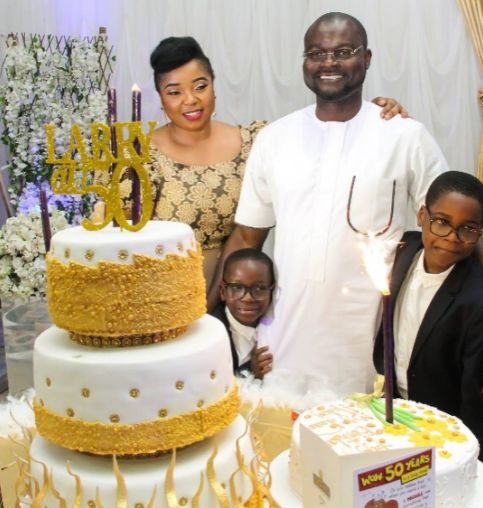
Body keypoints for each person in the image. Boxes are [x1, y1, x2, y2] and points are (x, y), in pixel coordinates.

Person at [208, 12, 448, 396]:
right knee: (281, 429)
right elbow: (246, 237)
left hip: (370, 342)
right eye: (317, 53)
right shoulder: (275, 139)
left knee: (364, 428)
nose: (329, 62)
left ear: (367, 58)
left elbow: (449, 226)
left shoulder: (405, 136)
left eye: (343, 52)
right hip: (284, 340)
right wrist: (208, 320)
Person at [97, 36, 407, 285]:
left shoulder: (256, 141)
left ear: (214, 86)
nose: (190, 100)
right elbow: (115, 239)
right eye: (175, 92)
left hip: (240, 298)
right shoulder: (137, 155)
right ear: (161, 99)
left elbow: (328, 140)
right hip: (158, 295)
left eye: (200, 86)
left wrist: (372, 114)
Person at [373, 171, 483, 457]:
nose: (452, 238)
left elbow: (472, 390)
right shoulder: (402, 249)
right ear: (422, 216)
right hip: (393, 410)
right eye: (442, 222)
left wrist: (470, 455)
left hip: (443, 430)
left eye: (468, 228)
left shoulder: (475, 299)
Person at [213, 248, 274, 379]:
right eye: (237, 287)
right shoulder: (212, 336)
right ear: (223, 291)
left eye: (259, 288)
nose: (248, 298)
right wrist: (251, 370)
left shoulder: (279, 324)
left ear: (272, 291)